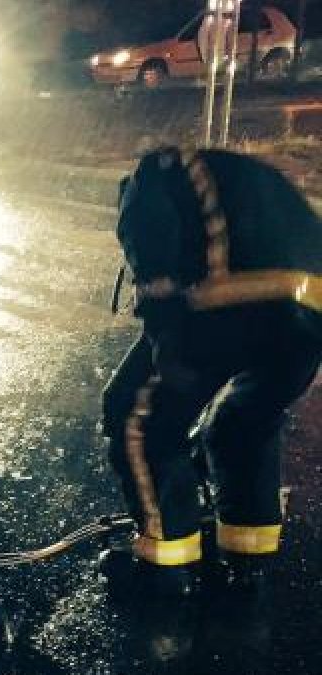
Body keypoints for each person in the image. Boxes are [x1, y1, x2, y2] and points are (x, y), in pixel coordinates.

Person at [103, 147, 321, 596]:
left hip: (226, 300)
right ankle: (248, 557)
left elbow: (151, 246)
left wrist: (165, 336)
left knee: (137, 417)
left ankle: (165, 565)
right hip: (309, 319)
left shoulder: (151, 171)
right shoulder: (248, 174)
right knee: (244, 424)